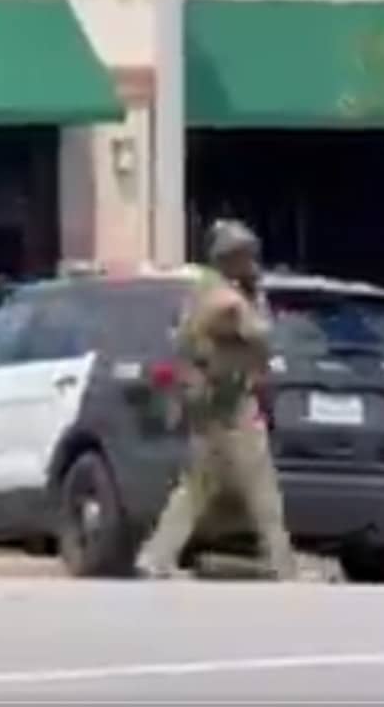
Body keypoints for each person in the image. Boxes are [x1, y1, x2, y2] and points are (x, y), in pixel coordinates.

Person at [135, 219, 297, 580]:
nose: (251, 263)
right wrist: (256, 299)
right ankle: (281, 562)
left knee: (198, 485)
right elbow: (259, 335)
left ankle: (156, 556)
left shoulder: (204, 291)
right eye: (245, 256)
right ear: (231, 258)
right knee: (260, 485)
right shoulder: (224, 298)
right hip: (228, 401)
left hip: (212, 400)